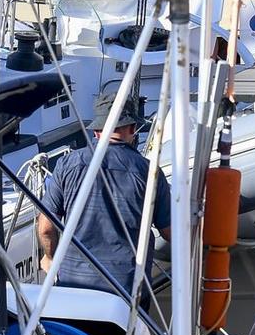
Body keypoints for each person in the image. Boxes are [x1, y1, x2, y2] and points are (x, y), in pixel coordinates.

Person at [37, 105, 172, 297]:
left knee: (75, 328)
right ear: (132, 129)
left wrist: (50, 257)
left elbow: (46, 227)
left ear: (95, 130)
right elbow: (169, 232)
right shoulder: (149, 172)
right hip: (127, 284)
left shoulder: (67, 165)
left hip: (74, 283)